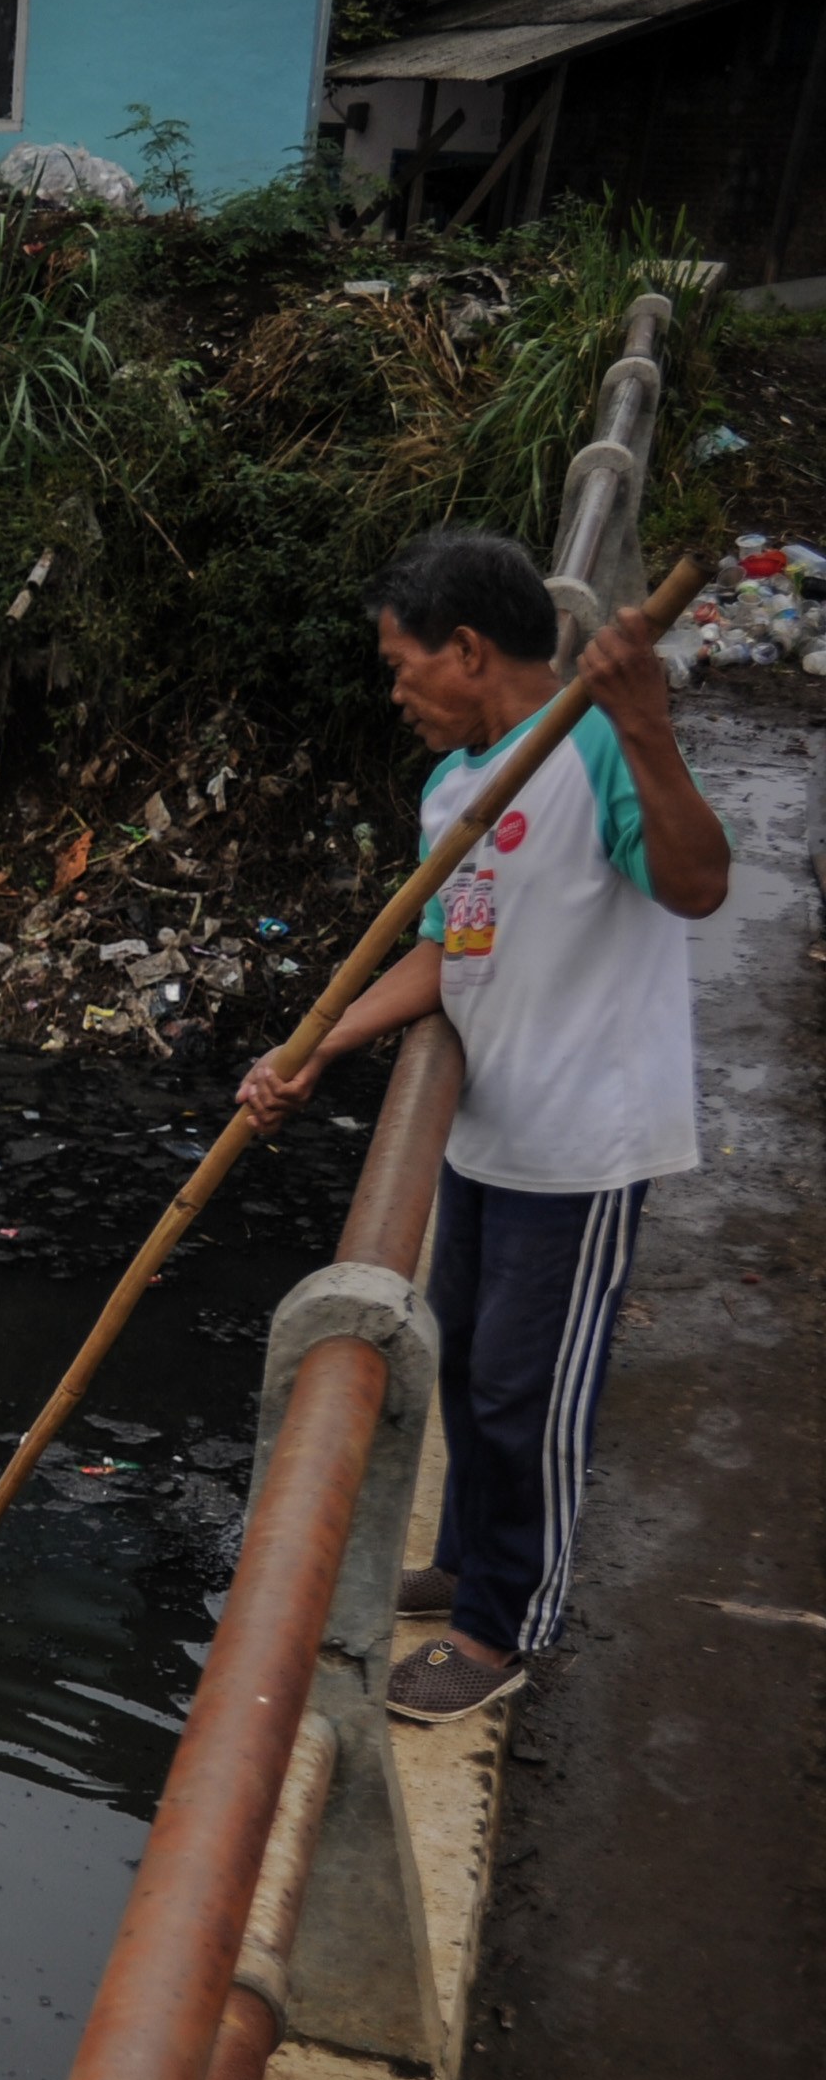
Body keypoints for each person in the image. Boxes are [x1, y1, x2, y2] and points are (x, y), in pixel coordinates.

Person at [237, 528, 731, 1724]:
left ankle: (501, 1624)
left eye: (404, 663)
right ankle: (463, 1560)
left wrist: (648, 724)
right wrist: (314, 1048)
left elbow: (699, 883)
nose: (395, 689)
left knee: (526, 1393)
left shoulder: (595, 747)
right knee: (463, 1367)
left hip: (585, 1139)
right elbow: (446, 954)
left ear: (468, 650)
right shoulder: (455, 788)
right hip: (486, 1129)